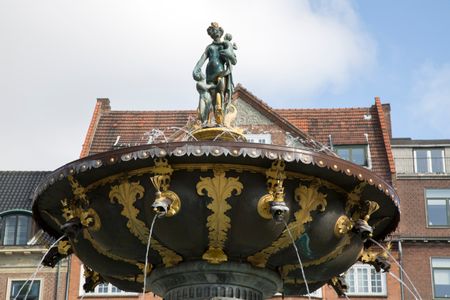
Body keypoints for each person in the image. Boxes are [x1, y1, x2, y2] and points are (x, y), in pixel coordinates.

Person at [193, 22, 237, 126]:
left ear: (220, 32)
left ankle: (220, 119)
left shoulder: (225, 44)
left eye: (216, 31)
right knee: (210, 97)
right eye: (212, 32)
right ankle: (206, 120)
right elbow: (202, 59)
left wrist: (229, 55)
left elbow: (234, 61)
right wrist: (196, 68)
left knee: (220, 92)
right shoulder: (209, 47)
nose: (215, 34)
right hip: (209, 74)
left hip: (221, 73)